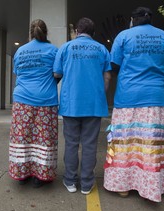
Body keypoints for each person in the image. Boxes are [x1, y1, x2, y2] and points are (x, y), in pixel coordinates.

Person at [103, 7, 164, 202]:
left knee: (125, 142)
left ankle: (123, 187)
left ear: (132, 20)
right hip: (155, 97)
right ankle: (152, 187)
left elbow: (115, 65)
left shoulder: (124, 36)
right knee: (151, 144)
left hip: (128, 96)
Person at [53, 17, 111, 195]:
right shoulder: (102, 49)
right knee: (90, 144)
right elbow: (108, 76)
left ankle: (70, 181)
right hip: (94, 104)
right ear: (92, 33)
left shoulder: (66, 47)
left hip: (71, 103)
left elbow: (56, 73)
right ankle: (86, 184)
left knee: (71, 143)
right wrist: (101, 94)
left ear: (77, 31)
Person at [9, 19, 59, 188]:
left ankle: (22, 173)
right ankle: (40, 176)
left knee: (23, 137)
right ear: (46, 32)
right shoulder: (53, 50)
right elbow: (58, 74)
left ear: (30, 33)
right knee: (44, 140)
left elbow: (18, 74)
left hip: (22, 101)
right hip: (46, 101)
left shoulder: (20, 52)